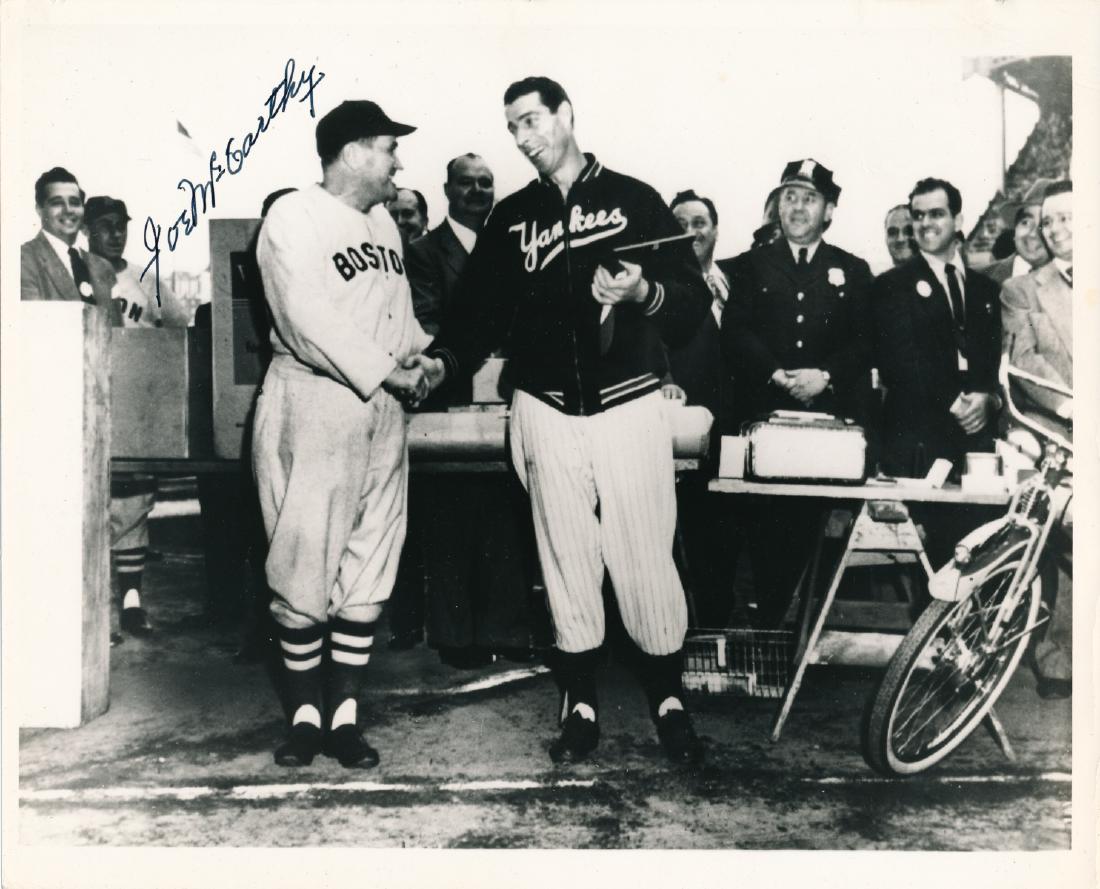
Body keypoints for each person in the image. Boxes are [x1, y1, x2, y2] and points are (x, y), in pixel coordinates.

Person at [420, 76, 711, 764]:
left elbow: (691, 304)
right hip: (544, 407)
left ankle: (668, 699)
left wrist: (644, 290)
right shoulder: (512, 218)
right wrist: (443, 361)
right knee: (565, 557)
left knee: (644, 557)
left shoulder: (635, 198)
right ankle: (579, 702)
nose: (523, 138)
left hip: (630, 402)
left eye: (532, 121)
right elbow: (475, 314)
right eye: (512, 127)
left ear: (566, 115)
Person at [252, 99, 433, 769]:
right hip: (316, 400)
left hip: (383, 409)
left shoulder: (384, 222)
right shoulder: (292, 215)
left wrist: (423, 357)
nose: (398, 162)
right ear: (354, 152)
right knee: (303, 567)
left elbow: (398, 316)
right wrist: (390, 370)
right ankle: (304, 718)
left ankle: (346, 718)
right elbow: (306, 316)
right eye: (389, 148)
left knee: (370, 561)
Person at [401, 153, 542, 666]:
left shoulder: (512, 248)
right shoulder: (422, 252)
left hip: (507, 399)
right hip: (452, 402)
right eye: (467, 183)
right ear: (447, 189)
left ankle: (504, 632)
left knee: (505, 518)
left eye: (486, 183)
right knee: (450, 520)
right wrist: (476, 357)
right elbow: (428, 321)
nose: (478, 191)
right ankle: (457, 638)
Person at [721, 158, 874, 628]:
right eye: (790, 196)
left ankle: (806, 633)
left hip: (829, 432)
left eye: (809, 198)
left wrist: (826, 375)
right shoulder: (749, 266)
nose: (798, 206)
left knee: (819, 536)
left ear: (829, 210)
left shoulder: (852, 268)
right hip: (767, 424)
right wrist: (776, 374)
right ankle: (772, 631)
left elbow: (867, 339)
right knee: (766, 534)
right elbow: (736, 330)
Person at [85, 195, 181, 641]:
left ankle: (131, 604)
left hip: (135, 406)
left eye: (121, 224)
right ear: (87, 229)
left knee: (134, 507)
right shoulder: (76, 273)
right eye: (105, 225)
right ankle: (94, 611)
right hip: (88, 402)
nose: (116, 232)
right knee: (90, 507)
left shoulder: (146, 278)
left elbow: (181, 328)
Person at [1000, 179, 1073, 698]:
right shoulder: (1024, 289)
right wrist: (1073, 407)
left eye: (1067, 217)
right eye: (1048, 221)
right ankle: (1059, 657)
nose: (1055, 228)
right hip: (1061, 433)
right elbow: (1023, 363)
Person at [664, 188, 742, 626]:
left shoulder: (737, 281)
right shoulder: (659, 288)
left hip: (733, 430)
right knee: (680, 529)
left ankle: (718, 622)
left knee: (725, 529)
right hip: (683, 428)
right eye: (680, 225)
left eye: (700, 224)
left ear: (715, 230)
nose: (691, 233)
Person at [21, 167, 120, 324]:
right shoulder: (23, 261)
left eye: (74, 202)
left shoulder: (103, 267)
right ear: (39, 210)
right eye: (57, 203)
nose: (68, 210)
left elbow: (119, 335)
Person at [984, 179, 1054, 285]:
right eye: (1025, 222)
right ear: (1015, 230)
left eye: (1045, 224)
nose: (1033, 233)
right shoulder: (978, 279)